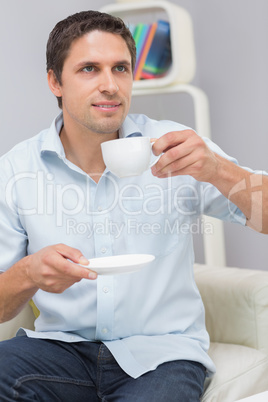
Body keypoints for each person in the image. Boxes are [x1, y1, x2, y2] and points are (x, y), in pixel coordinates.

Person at [0, 9, 267, 402]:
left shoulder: (178, 146)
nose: (110, 85)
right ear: (54, 81)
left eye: (121, 68)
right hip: (59, 350)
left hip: (164, 355)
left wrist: (219, 170)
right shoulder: (16, 169)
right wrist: (28, 274)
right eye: (89, 69)